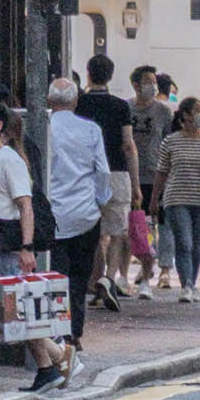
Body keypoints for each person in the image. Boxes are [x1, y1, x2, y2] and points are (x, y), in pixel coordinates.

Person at [0, 93, 65, 393]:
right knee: (12, 314)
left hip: (8, 247)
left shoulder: (8, 161)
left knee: (16, 313)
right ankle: (54, 361)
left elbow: (25, 206)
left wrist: (27, 249)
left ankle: (52, 362)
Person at [44, 77, 113, 363]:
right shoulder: (90, 130)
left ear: (49, 101)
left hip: (52, 215)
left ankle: (57, 332)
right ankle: (74, 332)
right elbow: (103, 172)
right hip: (85, 213)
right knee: (80, 274)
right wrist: (100, 200)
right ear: (75, 101)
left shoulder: (44, 128)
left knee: (55, 275)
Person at [76, 53, 140, 310]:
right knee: (117, 232)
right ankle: (108, 278)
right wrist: (135, 185)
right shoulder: (121, 106)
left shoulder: (79, 105)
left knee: (92, 232)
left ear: (88, 73)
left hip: (87, 174)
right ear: (111, 76)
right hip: (117, 173)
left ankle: (96, 279)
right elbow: (128, 145)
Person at [152, 94, 200, 301]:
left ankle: (192, 282)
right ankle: (186, 285)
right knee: (184, 242)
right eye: (197, 110)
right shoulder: (171, 142)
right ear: (185, 115)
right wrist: (154, 199)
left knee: (197, 244)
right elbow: (162, 172)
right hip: (176, 199)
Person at [127, 65, 171, 293]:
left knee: (161, 222)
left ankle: (164, 269)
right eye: (147, 82)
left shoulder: (163, 112)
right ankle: (143, 265)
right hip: (132, 176)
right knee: (136, 225)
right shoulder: (125, 108)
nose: (152, 86)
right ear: (135, 85)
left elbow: (169, 142)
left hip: (156, 175)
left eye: (154, 81)